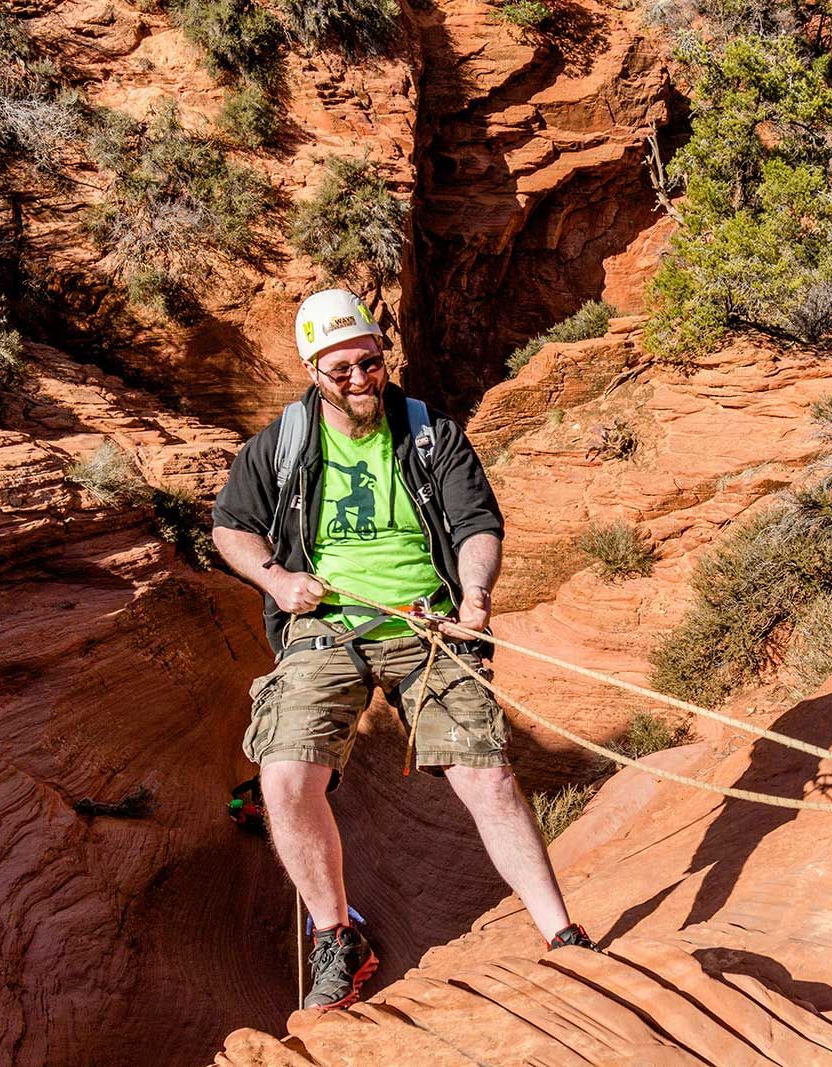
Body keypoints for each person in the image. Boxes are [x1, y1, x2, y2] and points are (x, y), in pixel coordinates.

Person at [211, 288, 595, 1013]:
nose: (361, 380)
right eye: (342, 370)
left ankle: (562, 932)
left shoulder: (428, 434)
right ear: (312, 370)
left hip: (428, 625)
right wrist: (277, 577)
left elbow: (477, 522)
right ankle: (337, 937)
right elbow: (231, 526)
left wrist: (475, 596)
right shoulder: (283, 443)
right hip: (327, 627)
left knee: (486, 777)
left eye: (371, 363)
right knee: (286, 778)